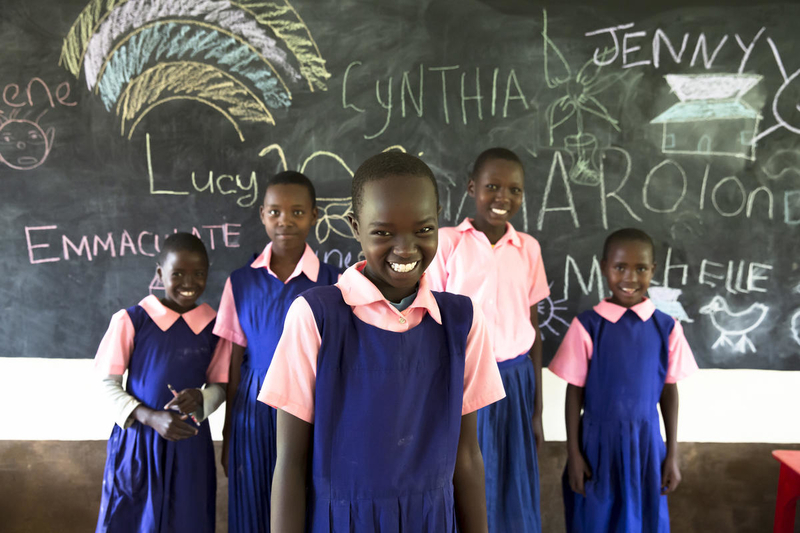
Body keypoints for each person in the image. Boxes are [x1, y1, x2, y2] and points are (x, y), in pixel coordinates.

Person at [259, 152, 506, 532]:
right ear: (355, 227)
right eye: (383, 232)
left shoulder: (462, 321)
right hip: (342, 522)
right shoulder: (316, 316)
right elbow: (290, 461)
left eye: (423, 230)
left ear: (438, 218)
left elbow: (467, 455)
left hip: (432, 521)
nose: (405, 249)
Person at [427, 147, 550, 532]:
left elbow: (533, 329)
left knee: (512, 476)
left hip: (515, 379)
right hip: (464, 379)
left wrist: (537, 410)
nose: (503, 197)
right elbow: (429, 322)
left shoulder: (528, 249)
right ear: (471, 188)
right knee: (467, 470)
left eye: (514, 189)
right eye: (492, 186)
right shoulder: (447, 243)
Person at [214, 171, 340, 533]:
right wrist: (228, 434)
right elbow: (235, 362)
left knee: (309, 500)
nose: (285, 220)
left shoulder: (335, 282)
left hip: (314, 408)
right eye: (275, 212)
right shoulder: (241, 282)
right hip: (253, 411)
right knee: (253, 501)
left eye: (297, 212)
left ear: (315, 215)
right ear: (262, 214)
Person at [549, 228, 698, 533]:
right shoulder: (588, 326)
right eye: (620, 267)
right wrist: (574, 455)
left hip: (646, 445)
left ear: (653, 271)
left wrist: (672, 455)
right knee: (596, 519)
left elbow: (669, 391)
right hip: (597, 445)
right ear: (604, 267)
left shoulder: (666, 327)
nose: (630, 278)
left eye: (640, 268)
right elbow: (574, 392)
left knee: (645, 521)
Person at [94, 232, 231, 533]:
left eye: (198, 274)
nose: (188, 283)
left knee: (188, 520)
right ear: (160, 274)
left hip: (189, 444)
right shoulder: (132, 320)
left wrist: (200, 398)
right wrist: (149, 416)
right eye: (177, 273)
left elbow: (220, 386)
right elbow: (106, 383)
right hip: (138, 443)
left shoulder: (215, 328)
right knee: (131, 520)